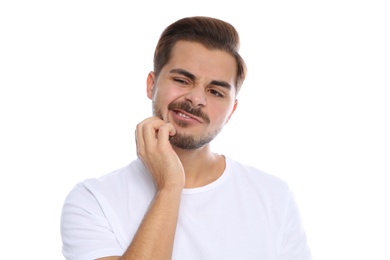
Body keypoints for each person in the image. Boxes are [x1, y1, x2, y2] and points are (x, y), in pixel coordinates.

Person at [60, 16, 312, 260]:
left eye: (215, 91)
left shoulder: (274, 197)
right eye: (182, 80)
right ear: (151, 85)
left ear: (231, 111)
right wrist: (169, 187)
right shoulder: (93, 200)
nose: (196, 99)